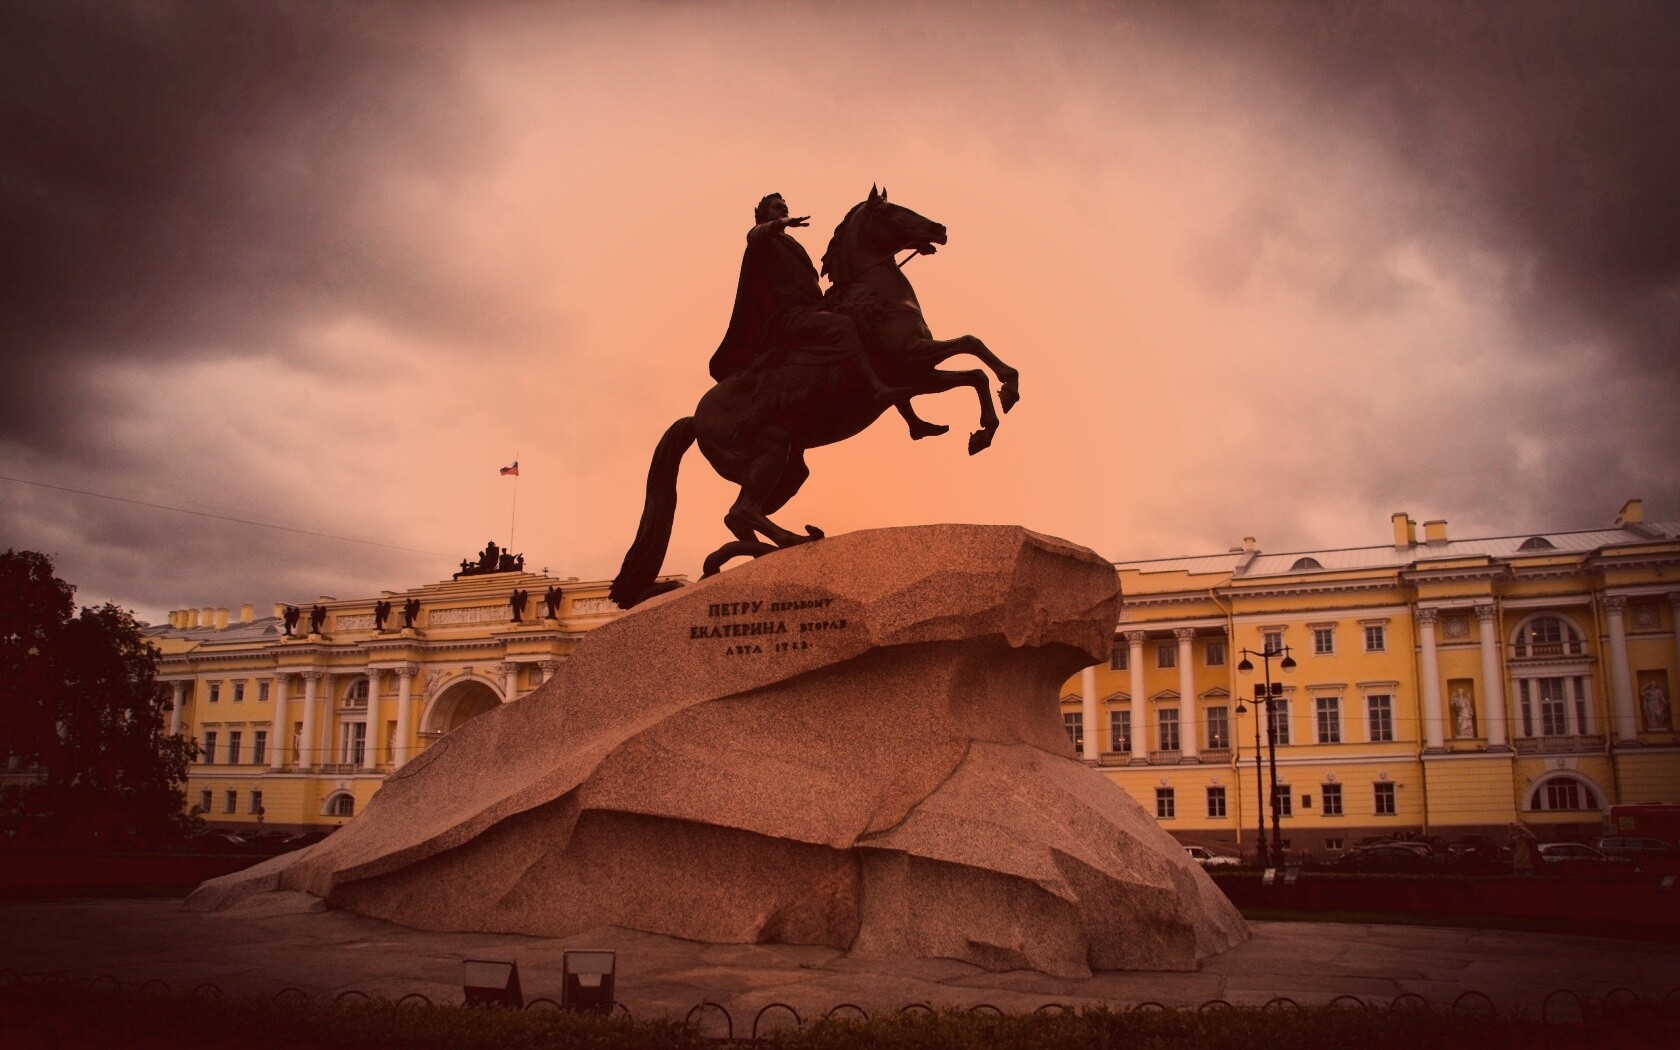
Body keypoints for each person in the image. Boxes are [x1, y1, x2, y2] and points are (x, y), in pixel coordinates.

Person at [709, 193, 911, 409]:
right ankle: (876, 387)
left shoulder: (789, 243)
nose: (783, 209)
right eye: (777, 206)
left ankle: (909, 414)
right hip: (789, 316)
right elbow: (754, 234)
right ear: (764, 213)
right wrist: (783, 222)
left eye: (785, 206)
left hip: (811, 309)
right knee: (845, 325)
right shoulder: (763, 241)